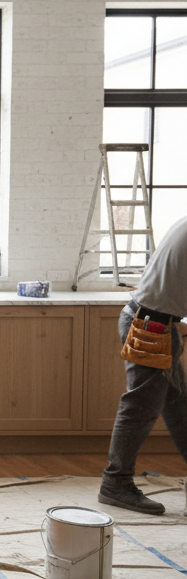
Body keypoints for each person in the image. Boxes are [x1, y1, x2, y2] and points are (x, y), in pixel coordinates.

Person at [99, 213, 187, 515]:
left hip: (153, 322)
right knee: (140, 408)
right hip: (152, 327)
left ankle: (116, 481)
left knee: (180, 408)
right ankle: (116, 483)